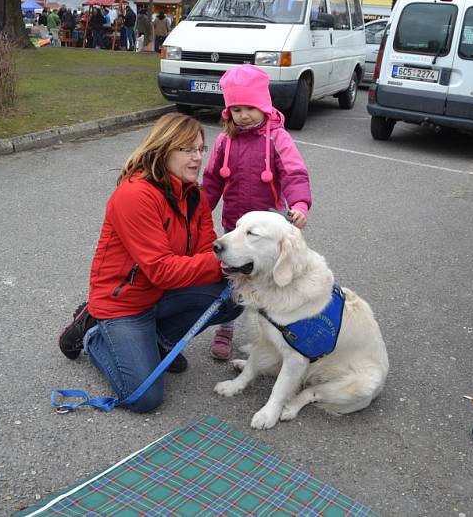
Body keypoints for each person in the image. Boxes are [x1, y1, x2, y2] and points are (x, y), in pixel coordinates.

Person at [61, 113, 243, 413]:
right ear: (163, 149)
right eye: (187, 150)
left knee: (237, 294)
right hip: (124, 305)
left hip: (160, 296)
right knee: (145, 399)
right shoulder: (135, 195)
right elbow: (161, 270)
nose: (198, 158)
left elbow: (205, 250)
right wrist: (223, 263)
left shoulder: (194, 195)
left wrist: (239, 260)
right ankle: (92, 331)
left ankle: (159, 341)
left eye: (201, 149)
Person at [202, 64, 312, 360]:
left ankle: (276, 331)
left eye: (249, 107)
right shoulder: (226, 141)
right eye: (236, 109)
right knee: (233, 277)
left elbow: (294, 174)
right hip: (235, 227)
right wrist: (199, 213)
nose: (243, 115)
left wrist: (299, 205)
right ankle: (225, 326)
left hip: (266, 231)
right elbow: (211, 180)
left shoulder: (277, 139)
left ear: (264, 105)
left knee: (271, 280)